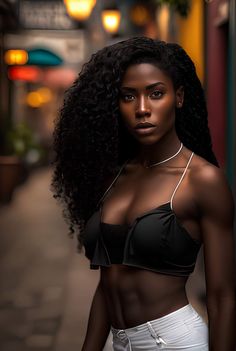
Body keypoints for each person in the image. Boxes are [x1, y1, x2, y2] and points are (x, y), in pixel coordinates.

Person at [52, 37, 236, 350]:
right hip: (118, 341)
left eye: (156, 93)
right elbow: (108, 285)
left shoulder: (201, 180)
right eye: (128, 96)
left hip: (173, 341)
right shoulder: (116, 176)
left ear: (178, 97)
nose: (142, 109)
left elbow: (223, 297)